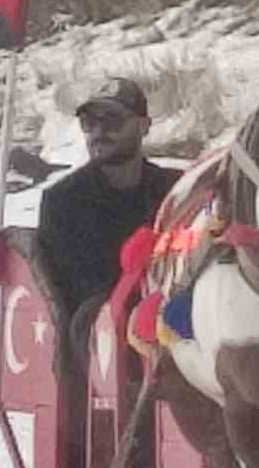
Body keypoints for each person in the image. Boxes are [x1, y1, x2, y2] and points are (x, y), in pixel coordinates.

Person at [37, 77, 182, 377]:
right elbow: (77, 289)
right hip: (97, 334)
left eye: (113, 121)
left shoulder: (174, 191)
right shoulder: (63, 200)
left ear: (143, 126)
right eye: (89, 122)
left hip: (171, 312)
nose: (99, 132)